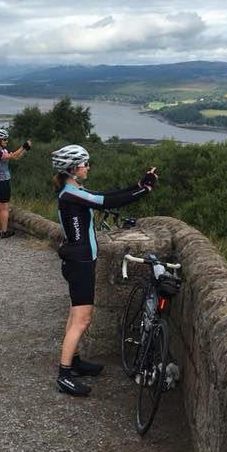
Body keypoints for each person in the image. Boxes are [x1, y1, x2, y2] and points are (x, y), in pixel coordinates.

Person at [51, 144, 158, 397]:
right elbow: (108, 201)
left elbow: (105, 195)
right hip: (80, 263)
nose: (88, 168)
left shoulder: (75, 191)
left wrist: (139, 184)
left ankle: (74, 362)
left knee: (74, 315)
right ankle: (64, 374)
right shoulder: (70, 195)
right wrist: (144, 190)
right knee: (83, 319)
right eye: (85, 164)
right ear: (73, 169)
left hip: (78, 261)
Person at [0, 128, 31, 238]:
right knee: (5, 207)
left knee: (0, 206)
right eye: (5, 139)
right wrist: (23, 146)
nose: (7, 141)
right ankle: (4, 231)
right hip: (2, 181)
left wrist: (25, 150)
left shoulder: (2, 150)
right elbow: (11, 156)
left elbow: (16, 157)